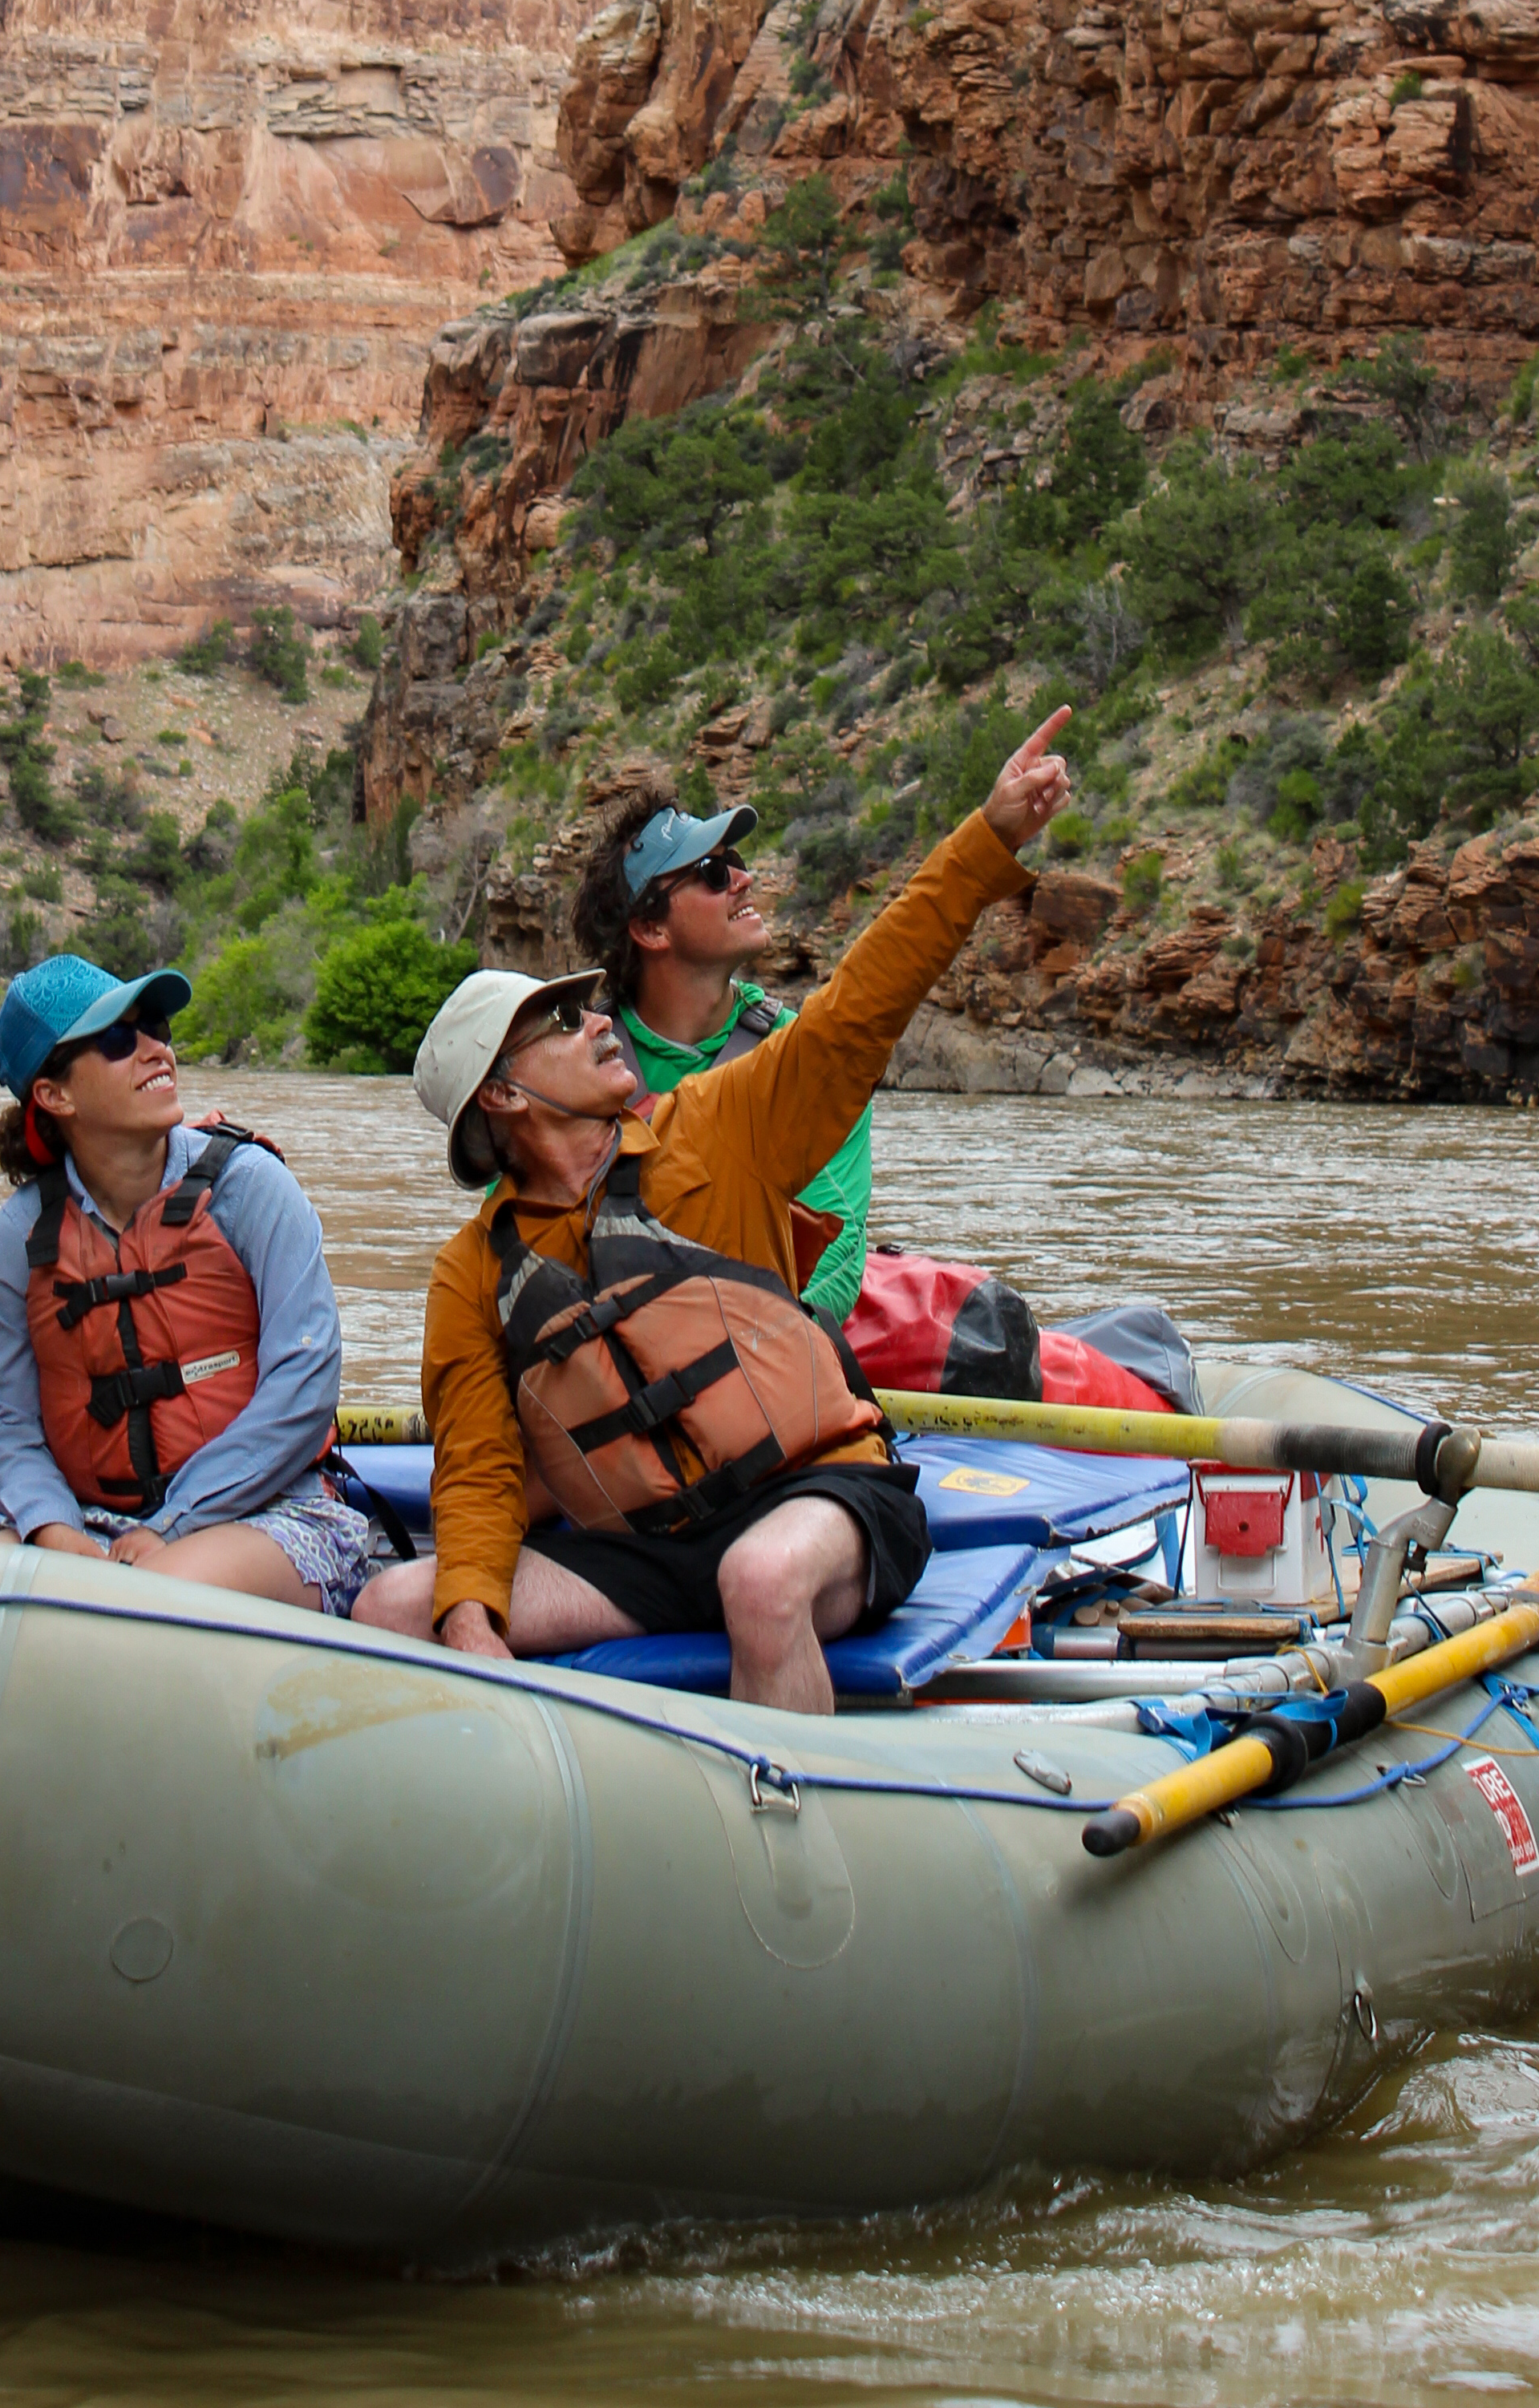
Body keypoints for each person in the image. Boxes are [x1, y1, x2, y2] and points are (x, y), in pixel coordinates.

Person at [354, 710, 1072, 1715]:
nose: (597, 1019)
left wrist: (985, 840)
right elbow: (475, 1472)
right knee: (396, 1604)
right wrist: (470, 1620)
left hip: (817, 1496)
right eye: (561, 1024)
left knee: (760, 1582)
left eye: (585, 1006)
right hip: (645, 1549)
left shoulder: (714, 1128)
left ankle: (802, 1847)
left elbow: (863, 1003)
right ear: (504, 1099)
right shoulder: (472, 1273)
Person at [0, 951, 391, 1617]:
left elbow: (304, 1385)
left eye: (156, 1026)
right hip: (90, 1524)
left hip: (271, 1514)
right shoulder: (18, 1240)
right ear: (54, 1095)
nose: (156, 1049)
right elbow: (1, 1417)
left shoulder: (249, 1189)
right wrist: (52, 1527)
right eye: (117, 1040)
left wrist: (172, 1524)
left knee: (153, 1598)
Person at [571, 795, 870, 1323]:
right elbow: (527, 1245)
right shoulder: (573, 1068)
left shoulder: (805, 1057)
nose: (743, 879)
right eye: (712, 872)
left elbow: (836, 1253)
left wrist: (753, 1360)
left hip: (768, 1346)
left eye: (735, 863)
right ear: (650, 929)